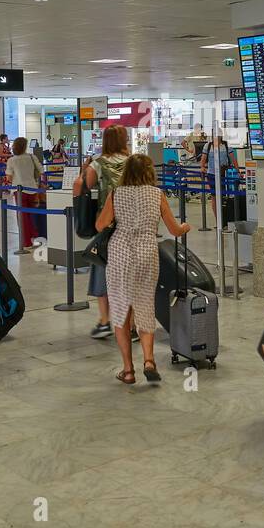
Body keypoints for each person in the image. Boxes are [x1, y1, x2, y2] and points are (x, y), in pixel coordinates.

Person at [94, 153, 191, 385]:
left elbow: (100, 225)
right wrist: (185, 227)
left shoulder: (116, 194)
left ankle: (128, 370)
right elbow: (174, 229)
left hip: (120, 255)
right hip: (147, 254)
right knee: (145, 305)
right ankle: (149, 361)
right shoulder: (157, 195)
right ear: (149, 172)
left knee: (121, 311)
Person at [73, 124, 129, 339]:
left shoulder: (98, 163)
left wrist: (83, 169)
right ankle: (130, 324)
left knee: (102, 269)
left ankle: (105, 320)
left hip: (107, 224)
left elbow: (81, 187)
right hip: (133, 223)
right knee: (130, 274)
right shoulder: (134, 161)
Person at [5, 137, 44, 254]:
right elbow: (41, 171)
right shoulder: (32, 157)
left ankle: (26, 242)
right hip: (33, 189)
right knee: (33, 216)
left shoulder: (12, 160)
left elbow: (9, 177)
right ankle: (36, 238)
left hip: (19, 191)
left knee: (22, 217)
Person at [200, 135, 237, 218]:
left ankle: (224, 219)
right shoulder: (208, 146)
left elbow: (233, 159)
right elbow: (203, 159)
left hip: (224, 174)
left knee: (223, 197)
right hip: (211, 175)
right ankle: (218, 220)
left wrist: (238, 171)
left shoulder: (226, 145)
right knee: (214, 197)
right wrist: (202, 167)